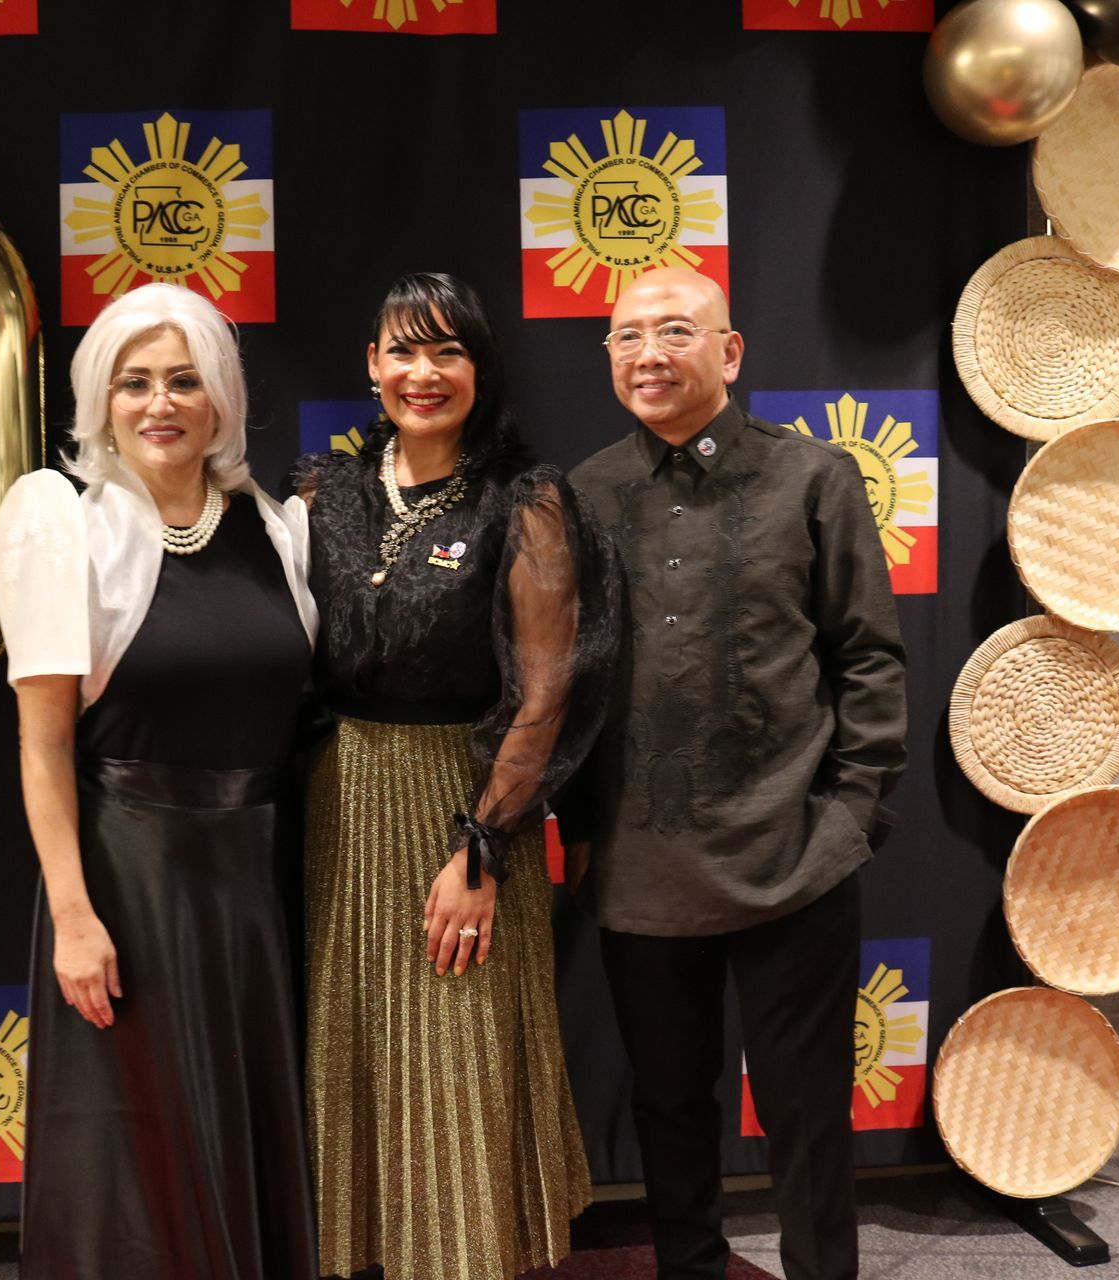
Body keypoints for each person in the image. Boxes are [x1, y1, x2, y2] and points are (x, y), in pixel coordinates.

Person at [563, 267, 906, 1280]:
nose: (649, 354)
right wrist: (582, 832)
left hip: (794, 854)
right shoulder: (584, 493)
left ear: (731, 350)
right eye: (627, 336)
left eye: (676, 330)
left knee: (806, 1111)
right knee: (669, 1102)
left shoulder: (813, 478)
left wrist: (853, 814)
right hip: (638, 863)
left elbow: (869, 656)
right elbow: (568, 682)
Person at [0, 283, 320, 1279]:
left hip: (262, 882)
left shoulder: (280, 529)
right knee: (136, 1157)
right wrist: (72, 914)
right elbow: (42, 743)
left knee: (255, 1126)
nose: (159, 402)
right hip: (131, 876)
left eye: (183, 379)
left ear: (220, 398)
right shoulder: (64, 524)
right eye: (133, 382)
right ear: (101, 401)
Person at [294, 272, 619, 1280]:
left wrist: (479, 849)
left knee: (459, 1060)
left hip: (467, 806)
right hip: (340, 806)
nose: (422, 373)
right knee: (352, 1053)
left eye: (448, 352)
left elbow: (545, 693)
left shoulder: (524, 499)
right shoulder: (322, 492)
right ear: (371, 366)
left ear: (481, 369)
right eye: (402, 350)